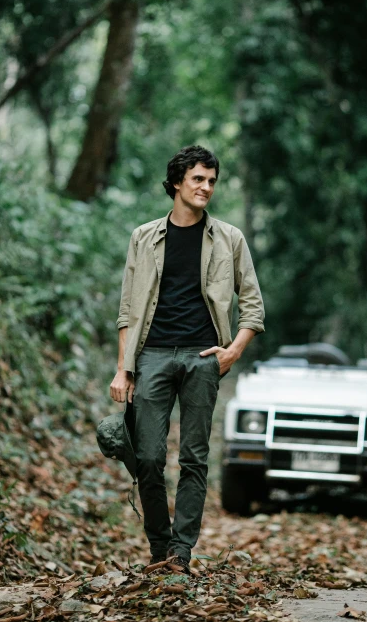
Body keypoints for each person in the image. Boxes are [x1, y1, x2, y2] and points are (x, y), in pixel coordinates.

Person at [109, 145, 264, 573]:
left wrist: (232, 350)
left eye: (212, 180)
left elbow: (252, 305)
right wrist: (124, 368)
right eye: (198, 179)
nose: (206, 187)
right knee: (148, 457)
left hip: (202, 359)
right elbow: (127, 310)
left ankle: (180, 552)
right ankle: (159, 547)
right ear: (177, 182)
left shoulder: (230, 238)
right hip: (152, 357)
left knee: (194, 457)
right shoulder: (144, 237)